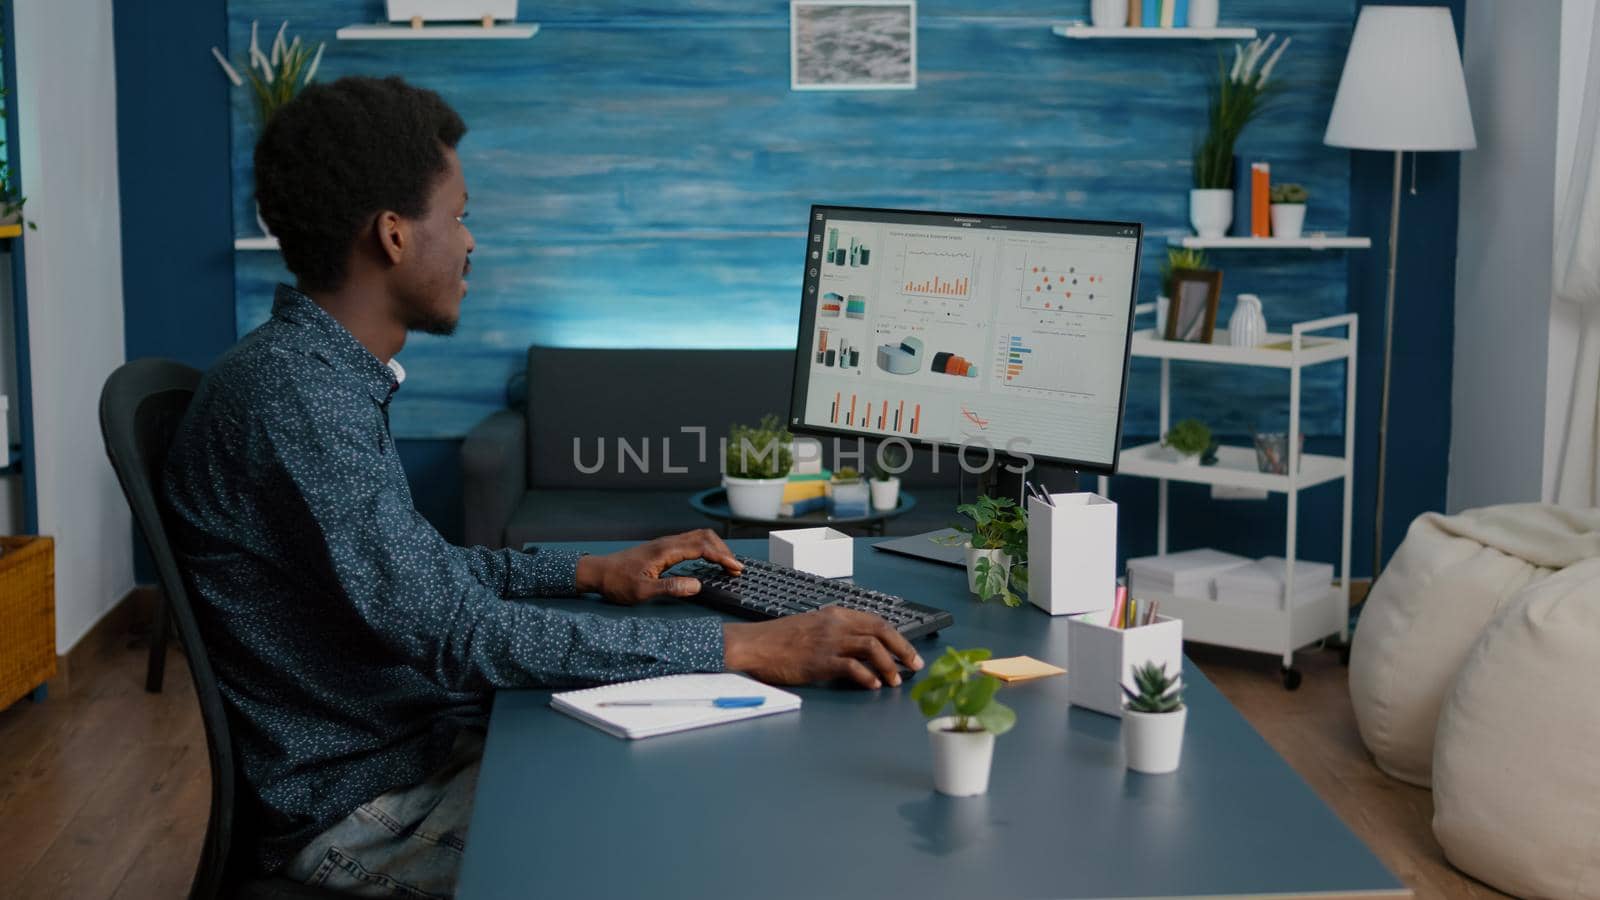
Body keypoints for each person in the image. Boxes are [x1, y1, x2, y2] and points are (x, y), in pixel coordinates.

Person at [163, 75, 922, 898]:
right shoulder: (297, 400)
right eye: (458, 215)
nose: (471, 241)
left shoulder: (312, 377)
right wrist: (742, 647)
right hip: (365, 804)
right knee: (708, 855)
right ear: (391, 236)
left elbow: (424, 582)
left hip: (417, 743)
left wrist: (589, 571)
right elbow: (455, 633)